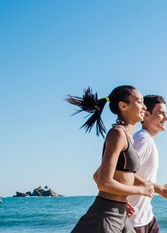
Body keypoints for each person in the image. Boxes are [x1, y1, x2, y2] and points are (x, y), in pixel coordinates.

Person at [66, 86, 155, 233]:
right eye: (139, 102)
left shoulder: (127, 136)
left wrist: (124, 200)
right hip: (106, 215)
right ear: (123, 106)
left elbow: (98, 174)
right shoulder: (117, 134)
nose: (144, 107)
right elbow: (104, 182)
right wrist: (140, 190)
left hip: (120, 213)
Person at [127, 95, 167, 233]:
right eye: (161, 113)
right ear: (147, 115)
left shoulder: (150, 141)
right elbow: (123, 174)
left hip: (146, 217)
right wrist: (160, 189)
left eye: (166, 113)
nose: (166, 118)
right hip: (134, 221)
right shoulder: (143, 139)